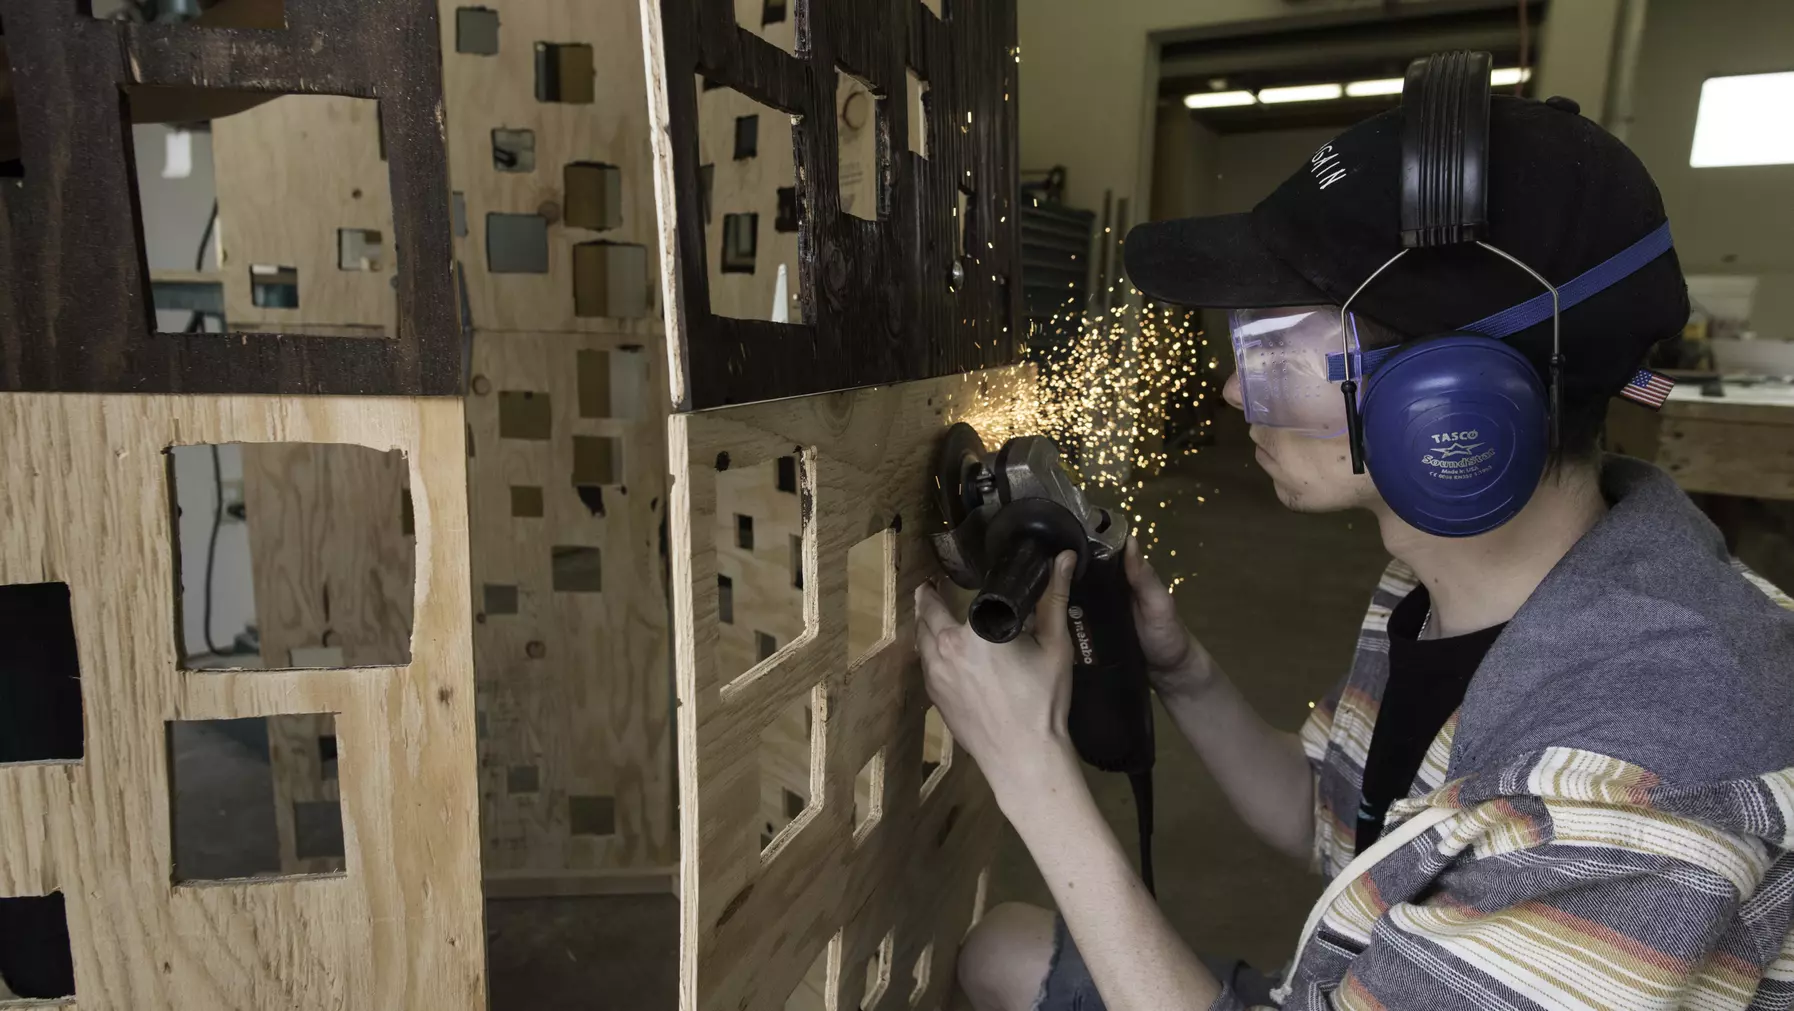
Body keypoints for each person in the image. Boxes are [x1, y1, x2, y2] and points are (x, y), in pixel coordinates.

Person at [913, 87, 1794, 1011]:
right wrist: (1182, 672)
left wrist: (1030, 769)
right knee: (1001, 950)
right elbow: (1335, 820)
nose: (1228, 390)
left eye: (1275, 353)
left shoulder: (1635, 792)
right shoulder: (1441, 581)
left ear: (1448, 403)